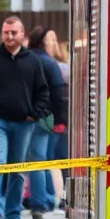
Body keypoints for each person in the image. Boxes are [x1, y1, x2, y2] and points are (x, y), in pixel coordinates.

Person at [0, 16, 50, 219]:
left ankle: (14, 214)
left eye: (13, 33)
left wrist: (35, 114)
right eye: (6, 32)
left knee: (17, 169)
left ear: (22, 35)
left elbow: (43, 92)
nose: (9, 36)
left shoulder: (33, 61)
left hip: (24, 124)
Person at [26, 26, 67, 219]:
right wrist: (60, 120)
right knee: (39, 160)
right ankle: (40, 203)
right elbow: (58, 95)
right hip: (43, 118)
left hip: (18, 116)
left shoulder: (21, 59)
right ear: (44, 42)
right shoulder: (50, 64)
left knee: (17, 161)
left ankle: (12, 206)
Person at [44, 30, 70, 209]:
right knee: (50, 158)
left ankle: (62, 195)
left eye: (54, 39)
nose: (52, 43)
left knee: (59, 157)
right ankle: (55, 196)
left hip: (62, 117)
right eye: (48, 40)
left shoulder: (62, 66)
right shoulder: (51, 66)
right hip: (48, 117)